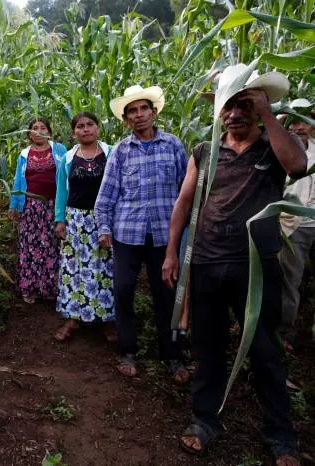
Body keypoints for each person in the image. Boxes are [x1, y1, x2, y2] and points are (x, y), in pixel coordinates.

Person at [162, 64, 305, 464]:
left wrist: (268, 115)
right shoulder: (206, 151)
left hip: (256, 268)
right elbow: (184, 203)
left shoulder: (274, 147)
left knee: (264, 351)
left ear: (258, 107)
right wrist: (173, 252)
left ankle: (281, 436)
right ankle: (206, 420)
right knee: (207, 347)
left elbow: (297, 166)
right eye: (228, 106)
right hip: (207, 263)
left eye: (244, 105)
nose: (234, 114)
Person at [95, 85, 189, 382]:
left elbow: (186, 192)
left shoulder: (173, 146)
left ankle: (172, 355)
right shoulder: (121, 151)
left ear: (154, 111)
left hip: (165, 235)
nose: (138, 115)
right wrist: (104, 227)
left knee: (166, 294)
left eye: (143, 109)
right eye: (132, 111)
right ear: (126, 120)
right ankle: (127, 350)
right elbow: (107, 194)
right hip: (127, 233)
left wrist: (185, 230)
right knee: (123, 290)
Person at [53, 112, 115, 342]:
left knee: (105, 268)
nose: (86, 129)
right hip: (76, 220)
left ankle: (107, 320)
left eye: (90, 125)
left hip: (104, 220)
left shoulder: (111, 153)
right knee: (74, 270)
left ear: (98, 128)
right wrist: (60, 220)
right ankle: (73, 318)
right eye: (80, 126)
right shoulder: (68, 159)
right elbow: (61, 191)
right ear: (74, 132)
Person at [8, 117, 67, 303]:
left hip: (53, 207)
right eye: (35, 128)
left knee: (51, 246)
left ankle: (50, 288)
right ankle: (29, 288)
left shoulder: (59, 150)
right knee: (29, 246)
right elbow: (18, 180)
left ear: (48, 131)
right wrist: (14, 205)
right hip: (30, 207)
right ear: (29, 134)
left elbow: (66, 178)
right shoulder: (24, 154)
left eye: (43, 127)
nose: (39, 131)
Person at [279, 99, 315, 348]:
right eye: (294, 120)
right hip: (294, 225)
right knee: (290, 280)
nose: (300, 127)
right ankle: (284, 330)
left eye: (305, 121)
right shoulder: (281, 152)